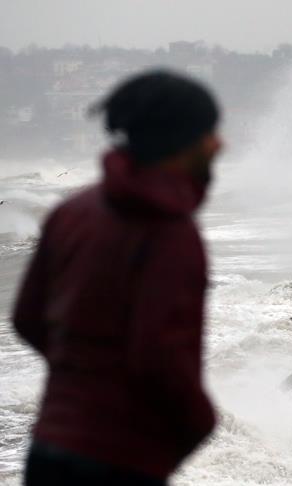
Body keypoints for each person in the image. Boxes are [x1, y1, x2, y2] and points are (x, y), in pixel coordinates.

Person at [12, 70, 222, 485]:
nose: (219, 144)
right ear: (179, 141)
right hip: (123, 459)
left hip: (49, 448)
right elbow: (160, 359)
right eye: (208, 132)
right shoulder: (169, 231)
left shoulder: (72, 211)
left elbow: (27, 319)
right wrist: (202, 423)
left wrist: (83, 379)